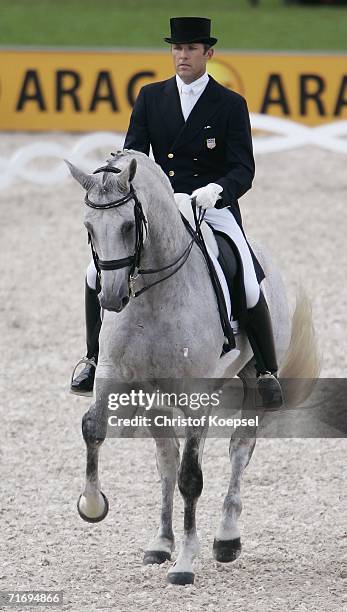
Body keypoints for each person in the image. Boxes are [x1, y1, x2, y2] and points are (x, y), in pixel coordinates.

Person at [71, 16, 283, 408]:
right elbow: (132, 154)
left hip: (210, 206)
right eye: (177, 49)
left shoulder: (230, 104)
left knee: (247, 274)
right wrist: (118, 183)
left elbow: (243, 168)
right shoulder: (151, 97)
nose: (182, 56)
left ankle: (265, 369)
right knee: (93, 270)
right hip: (163, 207)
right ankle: (92, 357)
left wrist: (217, 190)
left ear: (208, 53)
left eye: (190, 49)